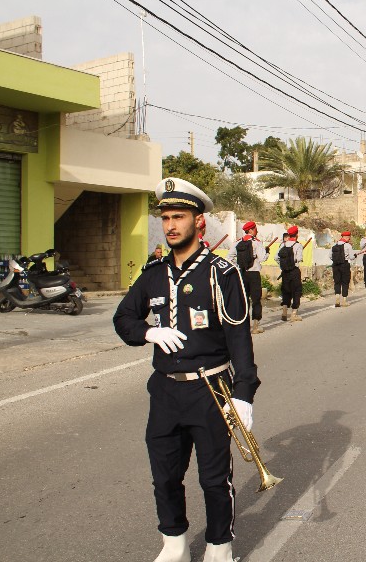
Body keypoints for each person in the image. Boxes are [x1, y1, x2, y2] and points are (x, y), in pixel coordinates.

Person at [113, 178, 260, 562]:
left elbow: (240, 339)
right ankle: (174, 542)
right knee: (164, 474)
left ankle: (219, 546)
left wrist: (244, 392)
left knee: (214, 478)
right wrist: (148, 331)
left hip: (210, 389)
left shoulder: (221, 274)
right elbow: (123, 317)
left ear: (199, 221)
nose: (171, 225)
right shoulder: (153, 273)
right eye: (165, 217)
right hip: (164, 391)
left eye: (179, 216)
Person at [228, 221, 268, 334]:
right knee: (256, 299)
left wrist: (238, 267)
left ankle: (245, 326)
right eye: (255, 229)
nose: (257, 231)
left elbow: (229, 257)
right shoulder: (256, 243)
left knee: (244, 300)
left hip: (242, 273)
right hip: (254, 274)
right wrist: (267, 252)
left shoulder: (238, 242)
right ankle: (256, 325)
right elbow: (262, 258)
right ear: (250, 230)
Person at [277, 225, 304, 322]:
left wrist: (283, 265)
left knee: (286, 291)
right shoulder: (298, 245)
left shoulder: (282, 245)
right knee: (297, 291)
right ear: (296, 235)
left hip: (284, 271)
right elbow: (299, 258)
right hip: (294, 271)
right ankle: (294, 314)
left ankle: (284, 312)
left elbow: (277, 258)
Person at [331, 231, 361, 307]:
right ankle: (344, 301)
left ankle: (337, 298)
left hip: (335, 265)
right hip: (344, 265)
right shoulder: (348, 246)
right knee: (345, 282)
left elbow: (330, 256)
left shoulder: (335, 245)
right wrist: (355, 256)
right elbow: (351, 257)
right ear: (347, 237)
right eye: (349, 237)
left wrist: (336, 261)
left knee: (337, 282)